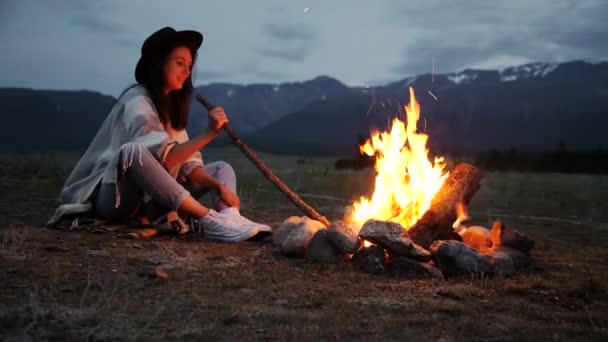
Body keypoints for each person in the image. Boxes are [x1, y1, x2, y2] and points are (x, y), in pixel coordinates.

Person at [47, 27, 271, 242]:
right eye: (180, 63)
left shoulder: (170, 107)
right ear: (158, 63)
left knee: (222, 169)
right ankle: (210, 220)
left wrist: (217, 186)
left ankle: (229, 218)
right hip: (115, 199)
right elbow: (165, 158)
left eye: (190, 65)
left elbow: (188, 165)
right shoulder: (136, 99)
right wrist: (209, 133)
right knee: (132, 153)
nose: (187, 71)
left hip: (150, 201)